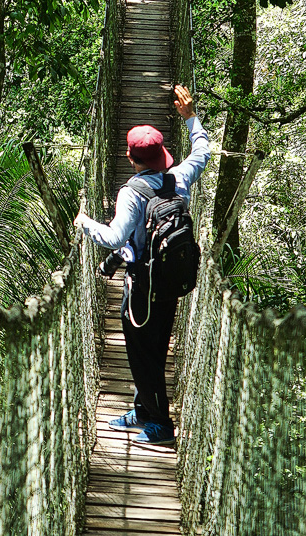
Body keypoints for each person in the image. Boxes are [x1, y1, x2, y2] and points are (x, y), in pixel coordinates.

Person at [73, 85, 212, 445]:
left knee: (143, 355)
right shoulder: (178, 178)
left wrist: (84, 222)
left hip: (141, 287)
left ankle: (161, 425)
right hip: (171, 280)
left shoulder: (131, 192)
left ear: (131, 157)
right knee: (156, 346)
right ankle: (144, 411)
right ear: (162, 155)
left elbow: (114, 238)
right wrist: (191, 118)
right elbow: (203, 152)